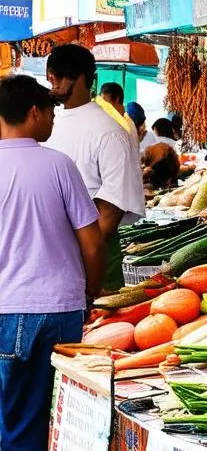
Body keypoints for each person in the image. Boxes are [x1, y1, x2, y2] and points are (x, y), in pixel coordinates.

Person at [0, 75, 105, 451]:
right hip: (60, 307)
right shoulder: (58, 165)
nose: (54, 116)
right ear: (35, 112)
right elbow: (91, 240)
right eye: (49, 109)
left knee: (19, 414)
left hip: (7, 309)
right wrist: (92, 289)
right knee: (64, 413)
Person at [44, 44, 146, 292]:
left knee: (98, 327)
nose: (51, 83)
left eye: (55, 77)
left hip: (95, 253)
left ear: (79, 78)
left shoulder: (109, 132)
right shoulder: (46, 124)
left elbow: (112, 208)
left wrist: (77, 251)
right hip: (52, 253)